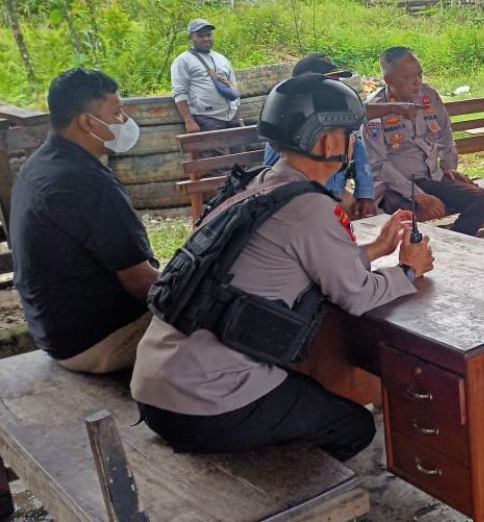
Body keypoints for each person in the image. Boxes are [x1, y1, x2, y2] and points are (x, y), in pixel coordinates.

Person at [132, 74, 434, 461]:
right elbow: (357, 296)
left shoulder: (258, 186)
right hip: (205, 402)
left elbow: (307, 263)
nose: (352, 142)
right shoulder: (310, 208)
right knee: (353, 426)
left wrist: (375, 249)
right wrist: (408, 270)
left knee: (309, 386)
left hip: (156, 385)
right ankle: (290, 491)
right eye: (348, 133)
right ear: (328, 142)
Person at [10, 68, 159, 373]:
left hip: (55, 333)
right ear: (88, 122)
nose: (125, 122)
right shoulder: (87, 182)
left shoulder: (40, 164)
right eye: (117, 113)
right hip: (97, 340)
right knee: (225, 331)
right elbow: (142, 283)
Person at [365, 46, 484, 236]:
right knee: (413, 217)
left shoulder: (429, 97)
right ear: (389, 80)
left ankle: (454, 247)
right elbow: (379, 165)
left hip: (431, 177)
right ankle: (414, 259)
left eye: (419, 74)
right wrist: (416, 194)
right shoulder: (375, 110)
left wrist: (449, 168)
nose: (417, 82)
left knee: (482, 199)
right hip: (396, 185)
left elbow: (445, 135)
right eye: (409, 77)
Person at [263, 53, 378, 220]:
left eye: (336, 85)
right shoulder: (288, 133)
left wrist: (365, 195)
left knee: (373, 220)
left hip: (335, 194)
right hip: (299, 201)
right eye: (328, 85)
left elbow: (359, 154)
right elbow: (276, 183)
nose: (336, 91)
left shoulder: (337, 125)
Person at [171, 19, 242, 135]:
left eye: (208, 35)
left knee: (240, 152)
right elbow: (179, 92)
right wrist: (189, 121)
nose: (205, 39)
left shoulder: (222, 59)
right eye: (200, 36)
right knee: (216, 153)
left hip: (232, 117)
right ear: (190, 38)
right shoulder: (183, 61)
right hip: (208, 119)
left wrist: (239, 118)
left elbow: (233, 89)